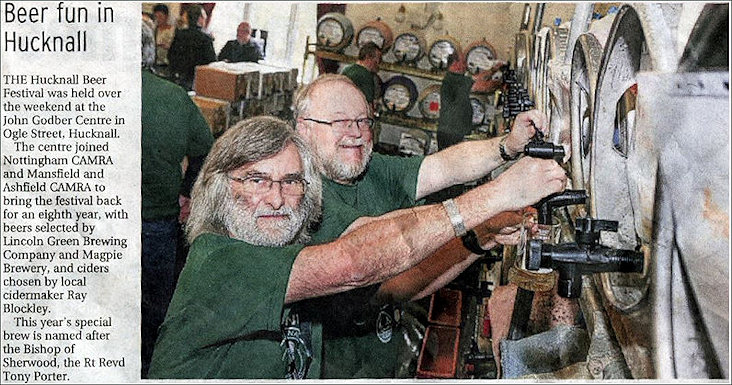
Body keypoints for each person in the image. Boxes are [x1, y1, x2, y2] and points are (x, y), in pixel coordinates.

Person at [147, 115, 565, 379]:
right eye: (256, 180)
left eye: (291, 182)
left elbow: (394, 283)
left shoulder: (287, 249)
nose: (276, 199)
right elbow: (355, 262)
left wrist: (480, 235)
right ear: (218, 188)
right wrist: (497, 195)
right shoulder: (219, 260)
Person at [292, 74, 562, 378]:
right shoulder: (298, 195)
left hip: (378, 363)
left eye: (363, 121)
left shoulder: (366, 169)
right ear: (304, 128)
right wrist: (496, 198)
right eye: (340, 122)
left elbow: (443, 167)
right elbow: (388, 273)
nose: (355, 133)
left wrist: (507, 145)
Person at [140, 21, 214, 378]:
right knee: (155, 306)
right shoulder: (172, 97)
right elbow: (204, 152)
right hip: (157, 221)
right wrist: (186, 192)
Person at [438, 52, 504, 150]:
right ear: (456, 64)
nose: (466, 65)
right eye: (464, 62)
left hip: (451, 131)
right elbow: (483, 87)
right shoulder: (455, 80)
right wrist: (501, 83)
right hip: (451, 132)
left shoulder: (455, 78)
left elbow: (478, 78)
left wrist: (494, 69)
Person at [168, 4, 216, 90]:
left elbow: (170, 55)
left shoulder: (179, 34)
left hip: (178, 78)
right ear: (200, 18)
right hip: (197, 80)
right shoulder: (206, 38)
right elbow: (212, 61)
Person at [340, 42, 382, 108]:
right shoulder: (366, 75)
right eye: (377, 60)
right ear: (368, 57)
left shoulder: (347, 69)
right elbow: (368, 105)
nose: (378, 64)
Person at [153, 4, 175, 75]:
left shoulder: (173, 30)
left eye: (160, 16)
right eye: (156, 17)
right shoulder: (154, 30)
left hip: (167, 64)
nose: (158, 19)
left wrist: (167, 46)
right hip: (156, 63)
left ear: (166, 16)